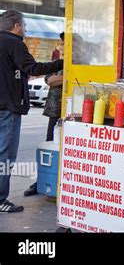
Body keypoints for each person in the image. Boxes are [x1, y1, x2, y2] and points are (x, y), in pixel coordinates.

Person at [0, 10, 63, 213]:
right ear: (17, 26)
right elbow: (32, 68)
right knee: (5, 154)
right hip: (8, 107)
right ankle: (1, 199)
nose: (25, 30)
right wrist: (63, 63)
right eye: (25, 26)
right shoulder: (14, 43)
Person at [24, 33, 64, 197]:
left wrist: (61, 78)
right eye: (61, 43)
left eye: (64, 43)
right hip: (55, 110)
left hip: (71, 112)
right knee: (50, 145)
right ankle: (42, 180)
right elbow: (49, 80)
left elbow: (57, 79)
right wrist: (65, 77)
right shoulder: (59, 62)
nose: (61, 46)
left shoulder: (80, 63)